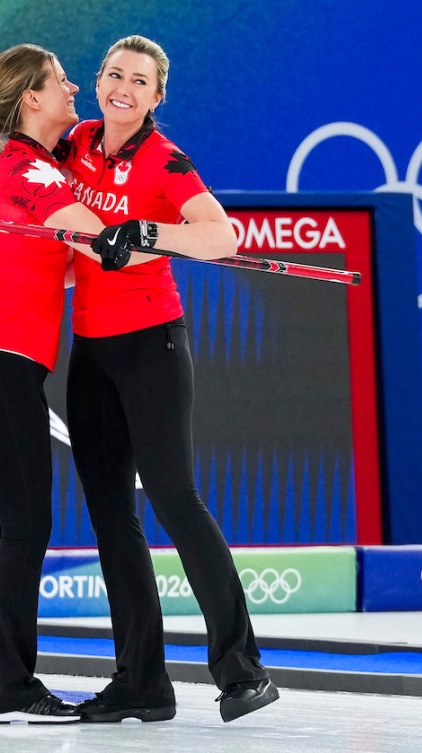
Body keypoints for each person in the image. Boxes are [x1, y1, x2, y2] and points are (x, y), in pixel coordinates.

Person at [65, 35, 279, 724]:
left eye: (139, 81)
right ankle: (141, 681)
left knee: (174, 497)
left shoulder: (164, 159)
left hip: (152, 344)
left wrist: (146, 234)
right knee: (110, 516)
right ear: (98, 81)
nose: (123, 87)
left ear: (157, 97)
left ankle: (242, 672)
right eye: (114, 74)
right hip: (90, 350)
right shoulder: (74, 142)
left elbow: (222, 237)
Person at [0, 42, 106, 725]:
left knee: (7, 530)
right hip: (1, 369)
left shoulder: (17, 169)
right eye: (61, 82)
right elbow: (90, 231)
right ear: (31, 99)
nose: (74, 89)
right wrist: (145, 232)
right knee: (26, 529)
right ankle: (10, 688)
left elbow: (62, 261)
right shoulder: (30, 171)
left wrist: (98, 242)